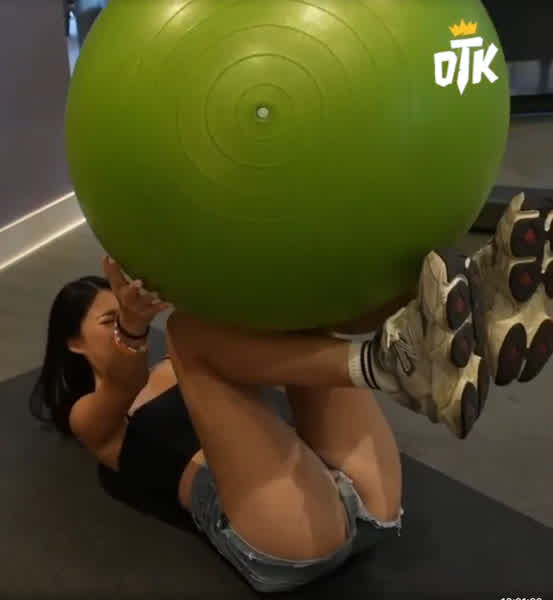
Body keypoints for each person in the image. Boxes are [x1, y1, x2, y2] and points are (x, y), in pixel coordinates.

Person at [30, 193, 553, 593]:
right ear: (74, 344)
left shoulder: (183, 370)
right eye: (107, 322)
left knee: (288, 317)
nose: (122, 327)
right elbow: (124, 382)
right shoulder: (91, 420)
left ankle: (473, 306)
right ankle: (391, 364)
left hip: (363, 499)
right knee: (187, 331)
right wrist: (133, 327)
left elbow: (269, 351)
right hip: (282, 536)